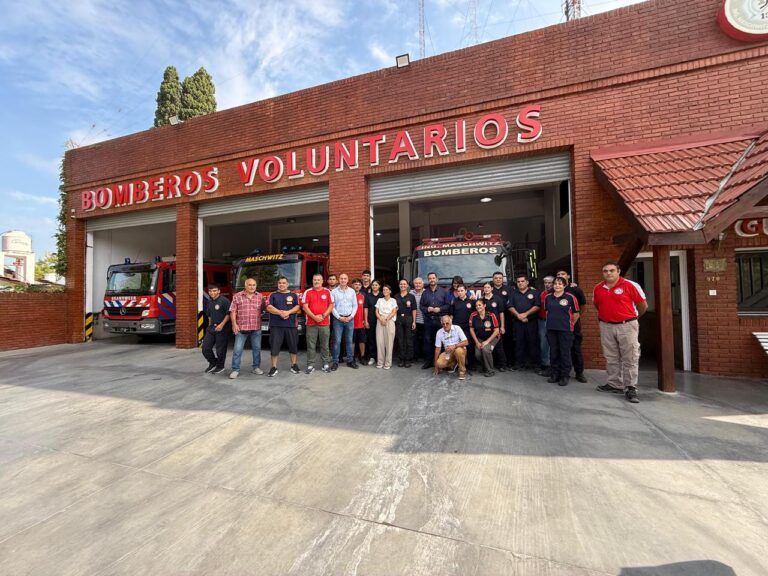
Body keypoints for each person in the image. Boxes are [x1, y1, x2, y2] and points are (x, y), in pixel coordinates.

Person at [593, 261, 648, 403]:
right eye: (605, 271)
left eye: (611, 270)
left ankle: (630, 387)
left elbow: (642, 306)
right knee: (611, 356)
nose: (608, 273)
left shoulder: (629, 285)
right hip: (606, 326)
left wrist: (631, 319)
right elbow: (597, 305)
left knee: (630, 356)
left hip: (627, 326)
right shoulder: (598, 288)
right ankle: (614, 384)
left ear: (618, 271)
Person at [543, 277, 580, 386]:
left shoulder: (570, 297)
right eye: (555, 284)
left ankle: (564, 375)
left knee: (565, 353)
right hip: (551, 330)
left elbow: (576, 313)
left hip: (565, 330)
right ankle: (555, 374)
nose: (557, 286)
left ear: (564, 285)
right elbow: (547, 312)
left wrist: (570, 324)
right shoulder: (548, 297)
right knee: (553, 352)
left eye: (560, 284)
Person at [228, 277, 264, 379]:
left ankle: (256, 367)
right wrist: (234, 324)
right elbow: (233, 311)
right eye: (250, 285)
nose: (252, 287)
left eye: (254, 285)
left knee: (256, 349)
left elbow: (263, 309)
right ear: (245, 286)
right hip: (241, 328)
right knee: (237, 350)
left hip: (256, 327)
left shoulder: (260, 296)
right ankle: (235, 369)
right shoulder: (237, 296)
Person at [266, 276, 301, 377]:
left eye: (284, 283)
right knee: (274, 347)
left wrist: (288, 312)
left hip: (291, 325)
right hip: (276, 325)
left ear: (287, 284)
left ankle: (294, 365)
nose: (281, 285)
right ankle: (273, 367)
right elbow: (268, 307)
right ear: (278, 284)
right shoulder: (272, 295)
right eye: (280, 283)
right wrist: (280, 313)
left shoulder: (294, 295)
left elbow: (298, 307)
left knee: (293, 345)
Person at [556, 270, 588, 383]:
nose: (560, 276)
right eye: (558, 275)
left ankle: (579, 373)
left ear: (568, 276)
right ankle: (563, 373)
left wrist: (573, 321)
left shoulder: (575, 289)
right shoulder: (554, 290)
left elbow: (582, 306)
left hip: (573, 325)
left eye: (563, 274)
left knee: (576, 348)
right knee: (561, 350)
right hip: (559, 327)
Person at [301, 273, 334, 374]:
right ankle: (311, 365)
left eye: (318, 280)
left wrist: (323, 316)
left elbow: (331, 305)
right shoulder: (308, 292)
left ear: (322, 281)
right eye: (315, 280)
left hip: (324, 323)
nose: (316, 282)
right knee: (311, 345)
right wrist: (314, 317)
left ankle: (326, 364)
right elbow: (305, 307)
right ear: (312, 281)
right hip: (311, 323)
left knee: (325, 345)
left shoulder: (327, 292)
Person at [508, 274, 541, 371]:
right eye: (518, 282)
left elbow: (537, 305)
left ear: (527, 282)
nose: (520, 283)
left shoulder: (534, 292)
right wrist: (518, 315)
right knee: (519, 343)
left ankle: (536, 365)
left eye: (522, 281)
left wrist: (526, 314)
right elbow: (510, 306)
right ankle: (519, 364)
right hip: (518, 323)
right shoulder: (513, 293)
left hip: (531, 322)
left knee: (533, 343)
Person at [420, 272, 450, 369]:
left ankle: (442, 362)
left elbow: (448, 305)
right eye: (430, 278)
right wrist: (426, 309)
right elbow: (421, 306)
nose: (432, 280)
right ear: (428, 280)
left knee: (442, 341)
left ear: (437, 279)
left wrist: (440, 309)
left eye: (433, 278)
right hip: (428, 320)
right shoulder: (425, 292)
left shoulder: (444, 291)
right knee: (428, 341)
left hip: (440, 321)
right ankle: (429, 361)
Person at [331, 273, 359, 370]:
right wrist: (339, 317)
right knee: (337, 341)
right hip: (338, 320)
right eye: (341, 278)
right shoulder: (334, 292)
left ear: (347, 280)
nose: (343, 280)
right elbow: (332, 307)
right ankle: (335, 362)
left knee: (349, 341)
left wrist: (351, 316)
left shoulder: (352, 291)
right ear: (339, 280)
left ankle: (350, 361)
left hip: (349, 319)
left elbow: (355, 305)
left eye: (345, 279)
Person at [201, 284, 231, 375]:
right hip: (212, 328)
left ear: (219, 291)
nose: (212, 293)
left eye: (214, 291)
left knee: (220, 350)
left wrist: (221, 325)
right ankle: (213, 363)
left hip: (222, 328)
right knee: (205, 348)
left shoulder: (224, 301)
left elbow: (229, 314)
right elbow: (209, 315)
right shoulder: (210, 301)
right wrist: (209, 326)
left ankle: (220, 366)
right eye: (210, 291)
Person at [469, 298, 501, 377]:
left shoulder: (491, 315)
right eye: (476, 305)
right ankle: (485, 366)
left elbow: (497, 330)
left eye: (480, 305)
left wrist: (487, 342)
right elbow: (471, 329)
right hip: (480, 337)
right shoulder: (473, 315)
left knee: (485, 349)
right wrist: (477, 342)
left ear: (484, 305)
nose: (478, 307)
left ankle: (490, 370)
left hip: (493, 337)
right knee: (477, 354)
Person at [481, 282, 509, 370]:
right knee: (488, 346)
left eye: (488, 287)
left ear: (492, 288)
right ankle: (491, 364)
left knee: (499, 346)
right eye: (485, 287)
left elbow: (501, 313)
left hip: (497, 327)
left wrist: (502, 326)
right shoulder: (481, 300)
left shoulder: (498, 299)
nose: (486, 289)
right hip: (486, 327)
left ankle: (503, 365)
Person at [433, 315, 468, 381]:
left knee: (458, 351)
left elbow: (466, 342)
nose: (445, 325)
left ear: (451, 322)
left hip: (459, 349)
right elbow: (437, 349)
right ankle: (454, 364)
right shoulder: (439, 332)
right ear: (441, 323)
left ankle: (462, 371)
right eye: (443, 324)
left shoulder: (457, 328)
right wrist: (436, 366)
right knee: (439, 363)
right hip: (448, 352)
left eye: (447, 323)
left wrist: (454, 346)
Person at [450, 284, 475, 372]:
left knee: (470, 346)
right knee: (458, 348)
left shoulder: (472, 301)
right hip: (457, 328)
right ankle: (458, 365)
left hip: (468, 328)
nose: (460, 292)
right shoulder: (454, 302)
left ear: (466, 291)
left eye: (462, 290)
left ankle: (471, 365)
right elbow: (451, 315)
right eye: (458, 291)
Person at [492, 271, 515, 367]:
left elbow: (512, 302)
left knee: (508, 340)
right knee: (495, 341)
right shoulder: (489, 289)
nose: (498, 279)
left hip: (507, 318)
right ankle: (496, 362)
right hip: (493, 319)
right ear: (493, 279)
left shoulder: (509, 289)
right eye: (496, 278)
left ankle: (509, 361)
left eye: (500, 278)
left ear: (503, 279)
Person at [394, 279, 417, 367]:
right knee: (400, 339)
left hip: (408, 318)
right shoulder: (396, 296)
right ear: (399, 285)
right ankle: (401, 359)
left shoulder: (411, 296)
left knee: (409, 340)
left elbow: (414, 309)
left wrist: (414, 321)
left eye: (404, 284)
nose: (403, 286)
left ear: (407, 285)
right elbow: (393, 309)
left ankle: (408, 359)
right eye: (401, 284)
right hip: (399, 318)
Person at [375, 284, 398, 369]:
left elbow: (394, 311)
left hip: (389, 321)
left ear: (390, 291)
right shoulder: (380, 300)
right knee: (380, 342)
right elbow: (376, 311)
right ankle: (380, 362)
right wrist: (381, 319)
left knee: (389, 343)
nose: (385, 291)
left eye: (387, 290)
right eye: (384, 290)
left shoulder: (393, 300)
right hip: (380, 320)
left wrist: (386, 319)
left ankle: (388, 363)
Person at [537, 276, 555, 377]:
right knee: (544, 344)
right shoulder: (541, 294)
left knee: (554, 344)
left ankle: (554, 365)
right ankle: (545, 365)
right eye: (546, 282)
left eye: (550, 282)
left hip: (554, 322)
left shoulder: (556, 294)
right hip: (542, 322)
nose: (548, 284)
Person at [364, 280, 383, 366]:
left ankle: (381, 357)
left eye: (376, 285)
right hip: (371, 320)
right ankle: (372, 357)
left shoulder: (383, 295)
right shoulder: (368, 296)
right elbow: (366, 308)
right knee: (371, 339)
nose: (374, 286)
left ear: (379, 286)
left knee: (381, 339)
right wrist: (366, 320)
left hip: (381, 320)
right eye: (373, 285)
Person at [351, 278, 368, 364]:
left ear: (361, 286)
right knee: (352, 341)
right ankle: (352, 357)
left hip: (361, 323)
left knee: (362, 341)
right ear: (352, 285)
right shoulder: (349, 295)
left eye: (359, 284)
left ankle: (362, 356)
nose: (357, 286)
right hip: (351, 323)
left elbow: (366, 309)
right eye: (355, 284)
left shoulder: (363, 296)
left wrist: (365, 320)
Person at [411, 277, 426, 361]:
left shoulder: (426, 293)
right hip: (414, 321)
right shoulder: (410, 293)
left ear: (422, 284)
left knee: (425, 339)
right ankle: (415, 356)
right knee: (414, 339)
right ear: (414, 284)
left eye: (419, 283)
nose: (418, 285)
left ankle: (424, 356)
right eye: (416, 283)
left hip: (424, 320)